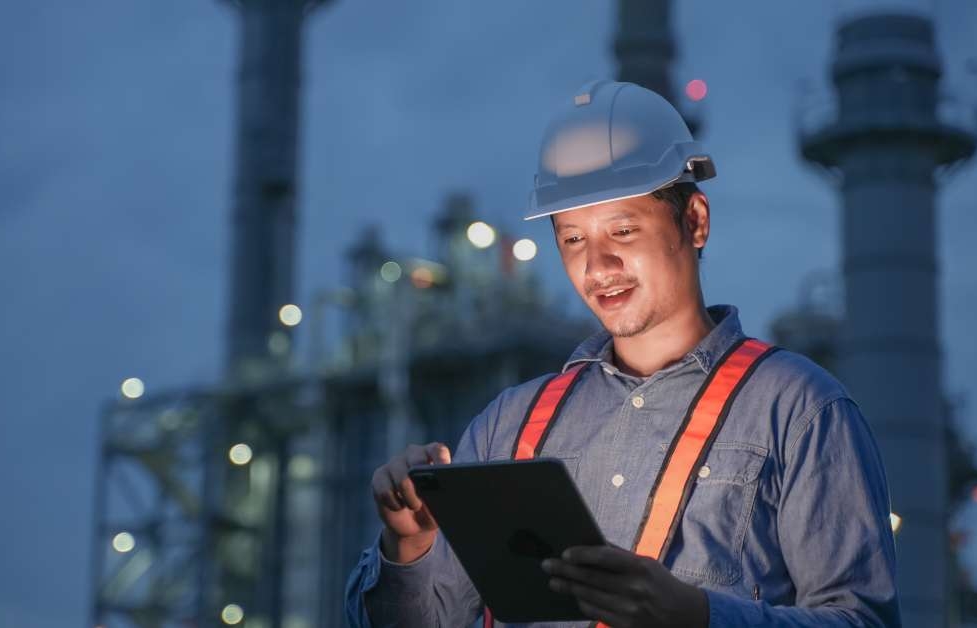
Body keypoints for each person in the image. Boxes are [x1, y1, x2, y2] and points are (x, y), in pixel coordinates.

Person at [343, 80, 900, 628]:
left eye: (624, 230)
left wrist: (699, 618)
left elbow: (863, 621)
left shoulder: (800, 411)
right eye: (573, 240)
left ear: (695, 221)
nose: (597, 267)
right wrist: (409, 543)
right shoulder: (506, 427)